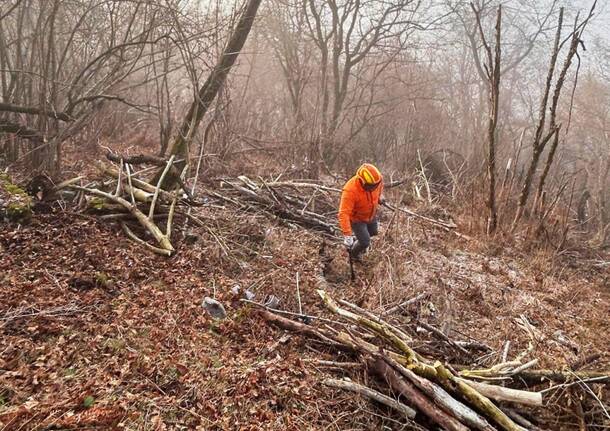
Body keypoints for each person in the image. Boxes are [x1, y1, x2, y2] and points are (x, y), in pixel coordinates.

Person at [338, 163, 384, 260]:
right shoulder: (350, 190)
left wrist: (379, 197)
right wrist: (347, 235)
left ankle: (357, 240)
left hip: (371, 214)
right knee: (365, 242)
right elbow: (343, 213)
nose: (374, 188)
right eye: (372, 186)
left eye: (376, 185)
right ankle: (354, 255)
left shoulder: (378, 180)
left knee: (373, 232)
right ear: (363, 182)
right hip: (357, 219)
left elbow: (379, 188)